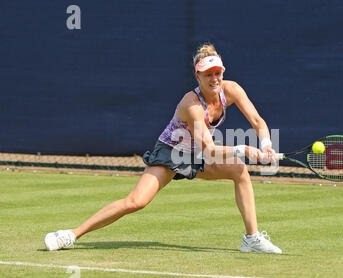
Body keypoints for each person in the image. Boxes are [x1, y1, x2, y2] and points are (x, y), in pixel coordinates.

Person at [44, 43, 282, 254]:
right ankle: (71, 234)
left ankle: (251, 239)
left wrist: (266, 145)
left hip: (195, 154)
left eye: (218, 73)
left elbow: (257, 121)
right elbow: (209, 149)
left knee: (239, 172)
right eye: (208, 74)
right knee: (136, 202)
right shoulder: (192, 104)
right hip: (171, 152)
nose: (214, 79)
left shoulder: (231, 90)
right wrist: (244, 150)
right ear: (197, 76)